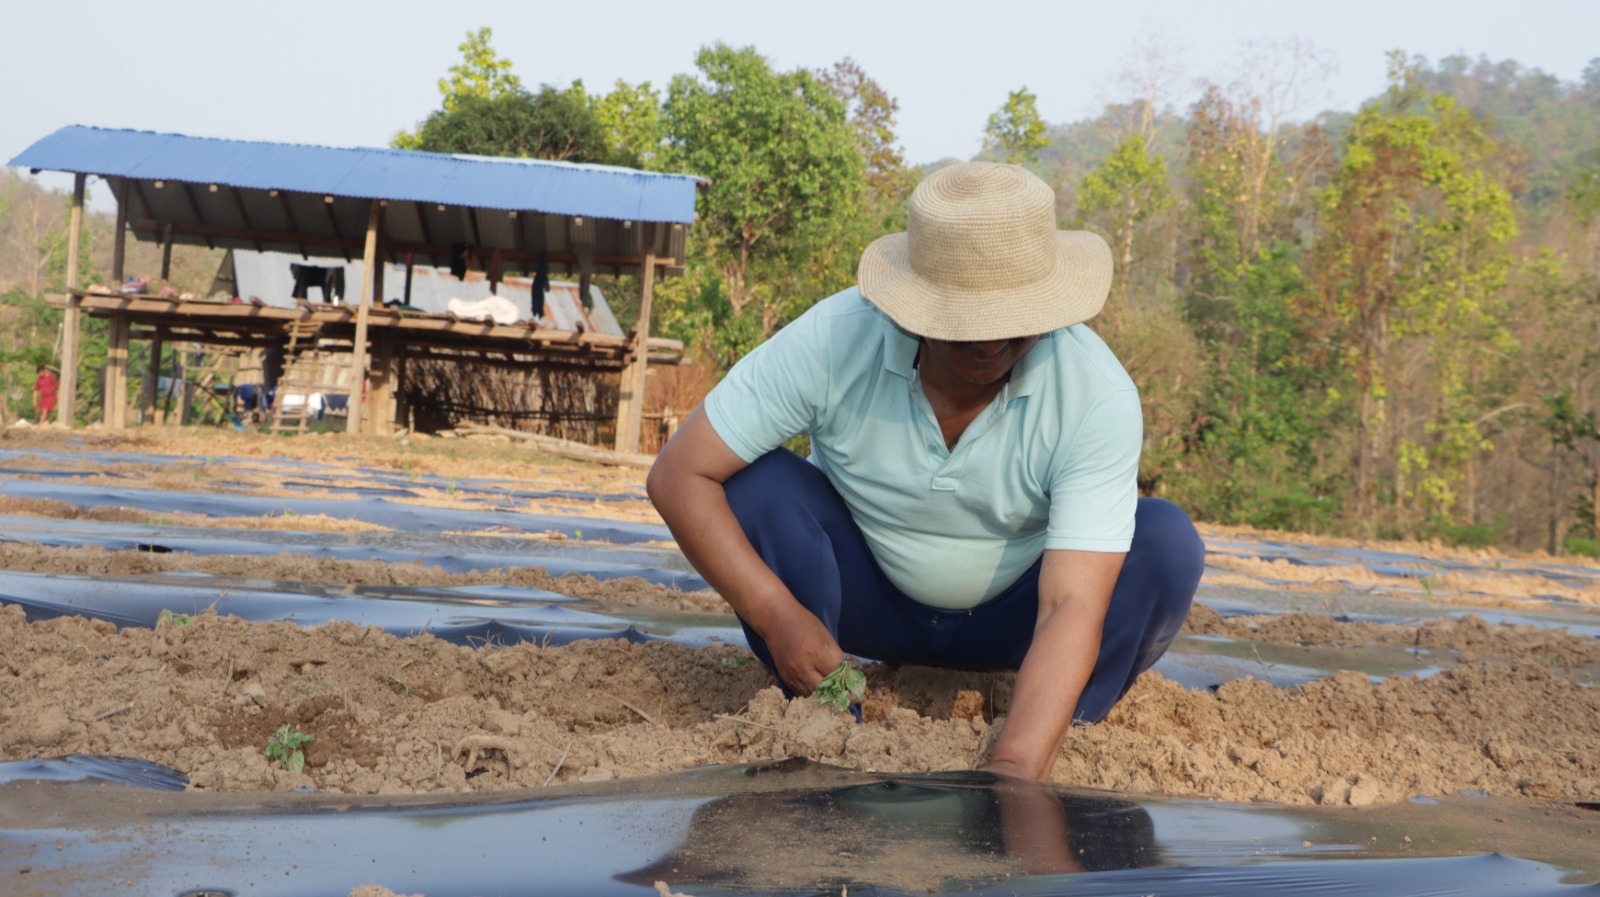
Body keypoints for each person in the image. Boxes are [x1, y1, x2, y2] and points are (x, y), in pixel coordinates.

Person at [647, 162, 1204, 781]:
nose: (988, 341)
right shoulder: (834, 340)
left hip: (1017, 621)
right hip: (866, 599)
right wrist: (777, 615)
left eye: (1011, 319)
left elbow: (1072, 602)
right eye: (962, 321)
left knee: (1164, 542)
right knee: (753, 484)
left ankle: (1061, 727)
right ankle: (824, 715)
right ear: (914, 302)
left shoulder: (1093, 392)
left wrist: (1012, 776)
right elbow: (679, 474)